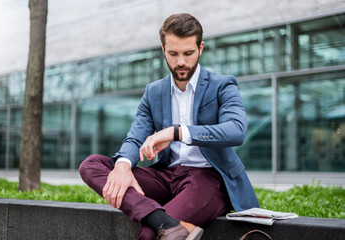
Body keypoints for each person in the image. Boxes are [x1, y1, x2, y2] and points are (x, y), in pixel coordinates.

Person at [79, 13, 259, 240]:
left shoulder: (222, 85)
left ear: (200, 48)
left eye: (188, 53)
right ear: (163, 50)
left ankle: (156, 221)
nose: (181, 62)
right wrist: (123, 166)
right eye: (173, 54)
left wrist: (177, 132)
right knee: (92, 164)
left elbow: (236, 130)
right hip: (165, 176)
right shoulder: (153, 92)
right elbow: (135, 137)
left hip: (207, 178)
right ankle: (158, 217)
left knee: (150, 234)